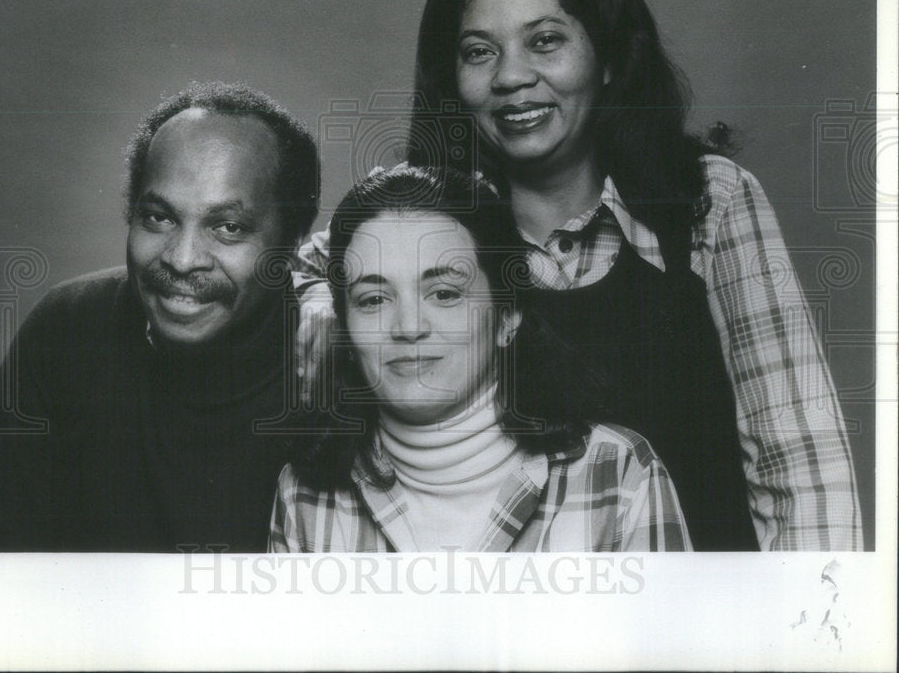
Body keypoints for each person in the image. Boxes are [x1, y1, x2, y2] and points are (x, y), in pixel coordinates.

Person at [296, 0, 862, 551]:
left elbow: (801, 462)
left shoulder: (709, 202)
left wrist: (805, 633)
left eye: (545, 41)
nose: (511, 77)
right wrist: (317, 295)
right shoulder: (444, 227)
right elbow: (307, 262)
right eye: (479, 51)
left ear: (613, 59)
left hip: (704, 621)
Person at [0, 81, 320, 552]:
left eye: (228, 228)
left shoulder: (330, 353)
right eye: (159, 217)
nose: (181, 260)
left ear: (295, 240)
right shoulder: (68, 329)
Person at [271, 164, 691, 553]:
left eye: (445, 293)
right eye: (374, 299)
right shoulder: (305, 493)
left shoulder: (618, 473)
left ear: (508, 318)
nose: (408, 326)